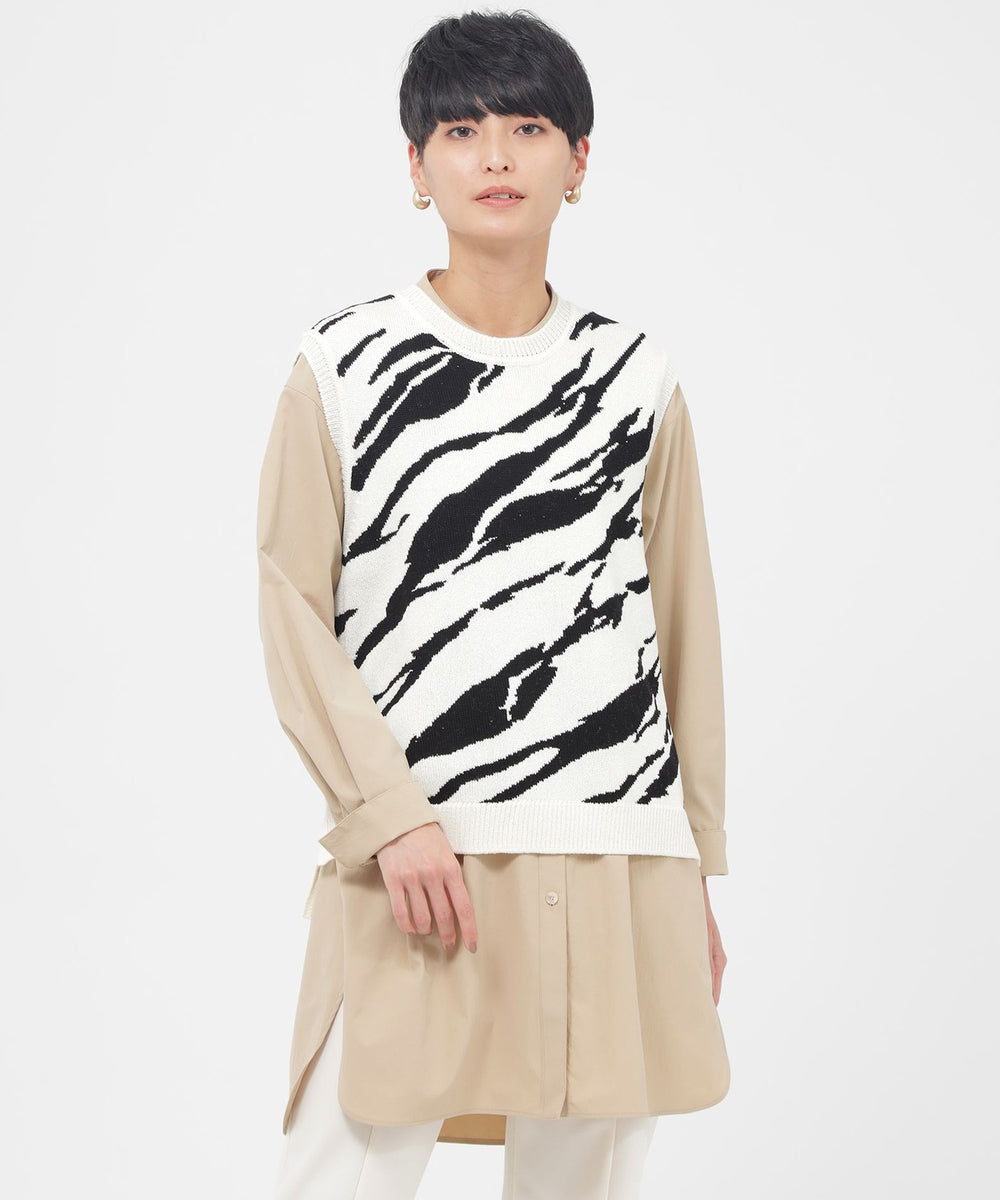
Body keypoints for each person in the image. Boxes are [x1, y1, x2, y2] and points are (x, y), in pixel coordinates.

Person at [257, 9, 731, 1199]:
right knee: (343, 1163)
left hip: (617, 848)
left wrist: (690, 861)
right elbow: (290, 606)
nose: (497, 156)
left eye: (527, 128)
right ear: (416, 167)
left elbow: (682, 628)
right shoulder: (343, 365)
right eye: (461, 132)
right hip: (426, 853)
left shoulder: (637, 377)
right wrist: (388, 816)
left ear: (579, 159)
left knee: (586, 1178)